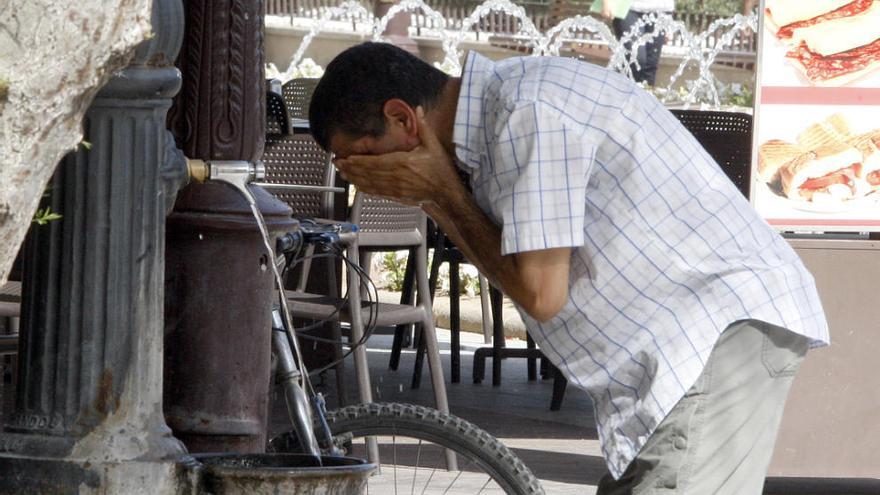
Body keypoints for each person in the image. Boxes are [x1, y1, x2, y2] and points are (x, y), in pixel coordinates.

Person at [308, 42, 829, 494]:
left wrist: (439, 191)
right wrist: (439, 194)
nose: (367, 180)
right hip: (675, 354)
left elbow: (540, 292)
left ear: (403, 119)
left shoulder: (524, 112)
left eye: (363, 159)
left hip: (711, 333)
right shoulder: (494, 127)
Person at [605, 0, 675, 86]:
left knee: (650, 64)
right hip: (628, 7)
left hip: (662, 9)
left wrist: (670, 20)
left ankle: (646, 96)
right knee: (635, 58)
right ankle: (622, 92)